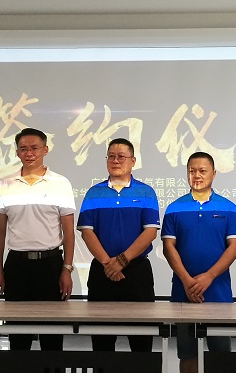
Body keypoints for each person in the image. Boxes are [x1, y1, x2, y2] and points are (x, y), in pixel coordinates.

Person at [0, 128, 75, 351]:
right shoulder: (5, 184)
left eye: (34, 148)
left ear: (45, 150)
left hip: (50, 264)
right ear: (17, 152)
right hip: (17, 265)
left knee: (52, 337)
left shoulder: (60, 183)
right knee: (18, 337)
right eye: (24, 149)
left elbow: (68, 232)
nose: (29, 153)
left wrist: (66, 269)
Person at [162, 152, 236, 373]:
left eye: (202, 171)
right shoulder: (174, 208)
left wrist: (208, 277)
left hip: (218, 293)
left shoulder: (229, 208)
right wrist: (187, 281)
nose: (196, 175)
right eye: (192, 171)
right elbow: (168, 248)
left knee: (221, 355)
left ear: (214, 173)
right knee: (187, 354)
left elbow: (234, 249)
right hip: (183, 292)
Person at [77, 138, 160, 352]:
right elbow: (87, 231)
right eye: (111, 156)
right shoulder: (94, 193)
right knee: (102, 342)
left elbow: (150, 232)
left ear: (133, 161)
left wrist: (122, 261)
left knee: (141, 342)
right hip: (102, 271)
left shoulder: (145, 192)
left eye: (121, 156)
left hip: (137, 272)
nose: (115, 161)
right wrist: (108, 263)